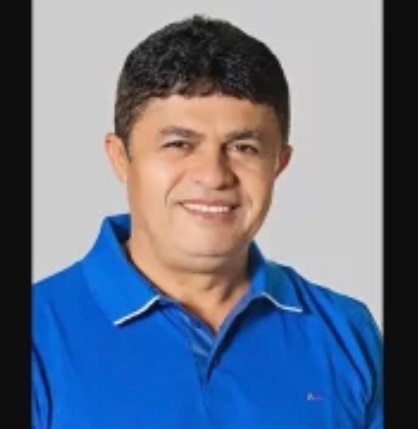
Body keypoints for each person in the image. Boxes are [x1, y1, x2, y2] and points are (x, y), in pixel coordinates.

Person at [32, 14, 383, 429]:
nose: (214, 175)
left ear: (279, 164)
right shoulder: (37, 335)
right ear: (120, 157)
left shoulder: (347, 332)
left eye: (244, 147)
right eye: (179, 144)